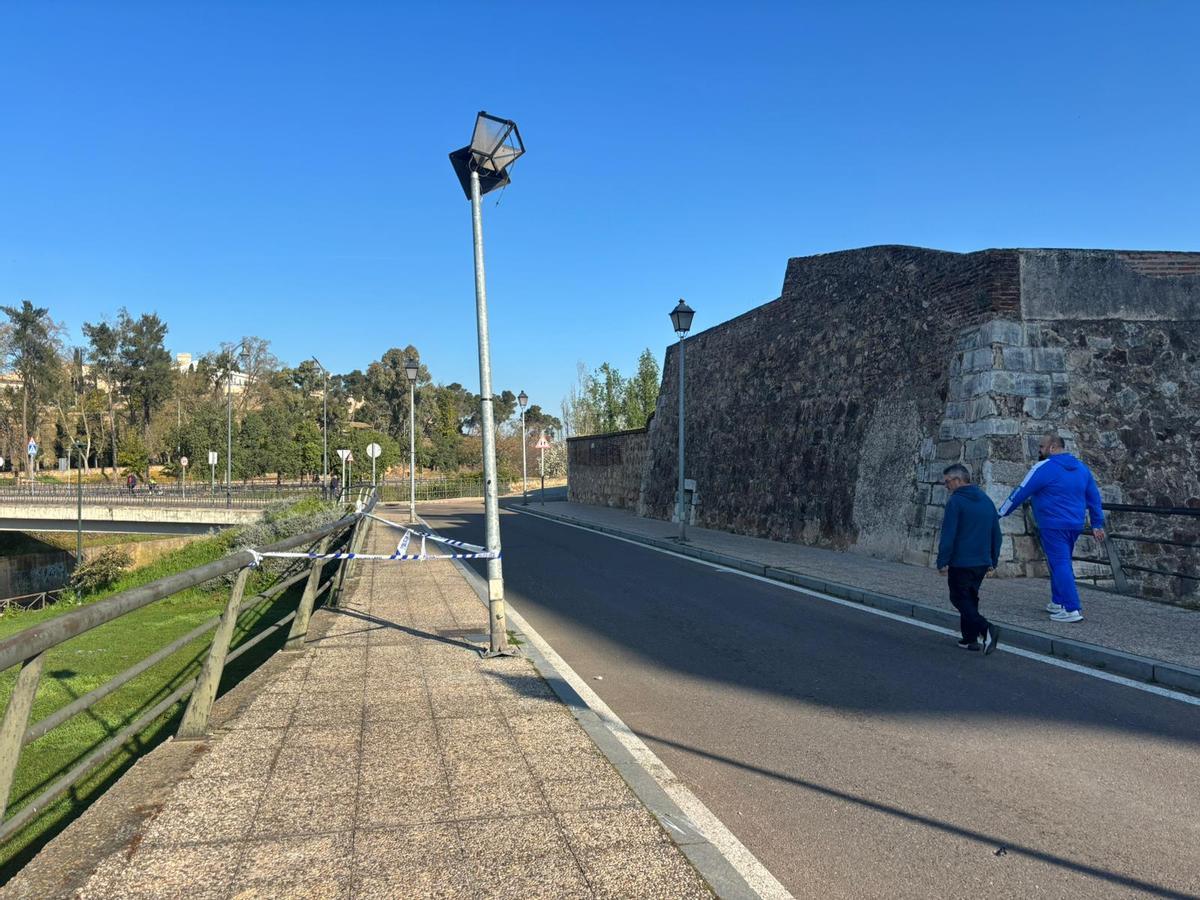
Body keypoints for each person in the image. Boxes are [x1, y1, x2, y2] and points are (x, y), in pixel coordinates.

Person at [999, 432, 1105, 623]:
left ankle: (1072, 609)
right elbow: (1094, 498)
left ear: (1052, 448)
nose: (1039, 450)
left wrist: (1001, 512)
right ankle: (1058, 601)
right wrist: (1097, 523)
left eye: (1041, 446)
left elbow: (1022, 491)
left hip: (1052, 523)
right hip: (1074, 524)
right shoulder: (1082, 468)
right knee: (1061, 562)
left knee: (1060, 564)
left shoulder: (1043, 467)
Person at [936, 463, 1001, 654]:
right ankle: (970, 639)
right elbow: (996, 533)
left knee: (958, 597)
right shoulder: (986, 501)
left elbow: (949, 534)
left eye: (947, 482)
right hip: (981, 561)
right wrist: (993, 559)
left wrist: (942, 561)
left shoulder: (956, 502)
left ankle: (985, 628)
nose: (946, 486)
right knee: (970, 598)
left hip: (961, 561)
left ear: (958, 480)